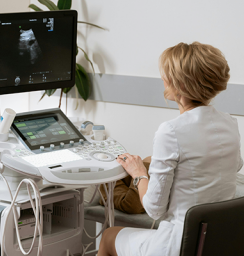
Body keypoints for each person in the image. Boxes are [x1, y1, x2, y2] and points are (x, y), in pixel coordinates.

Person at [97, 42, 243, 256]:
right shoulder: (230, 123)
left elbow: (154, 209)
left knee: (109, 237)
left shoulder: (171, 131)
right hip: (218, 243)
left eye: (166, 76)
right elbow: (234, 164)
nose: (163, 80)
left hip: (178, 244)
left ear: (180, 85)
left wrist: (139, 174)